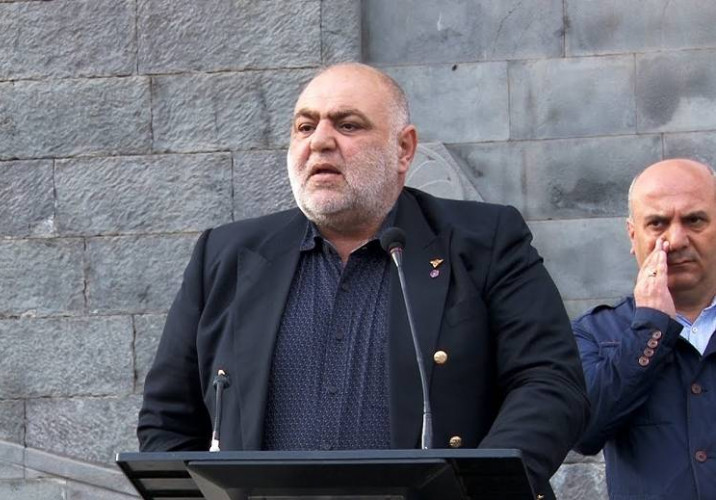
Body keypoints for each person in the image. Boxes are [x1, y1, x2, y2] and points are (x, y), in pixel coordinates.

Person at [138, 63, 589, 498]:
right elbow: (168, 421)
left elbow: (549, 382)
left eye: (348, 125)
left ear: (404, 149)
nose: (320, 142)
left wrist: (477, 493)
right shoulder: (226, 255)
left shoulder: (484, 242)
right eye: (304, 126)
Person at [573, 159, 716, 499]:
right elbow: (584, 432)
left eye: (694, 220)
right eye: (657, 223)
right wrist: (650, 330)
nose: (676, 240)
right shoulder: (594, 332)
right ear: (633, 234)